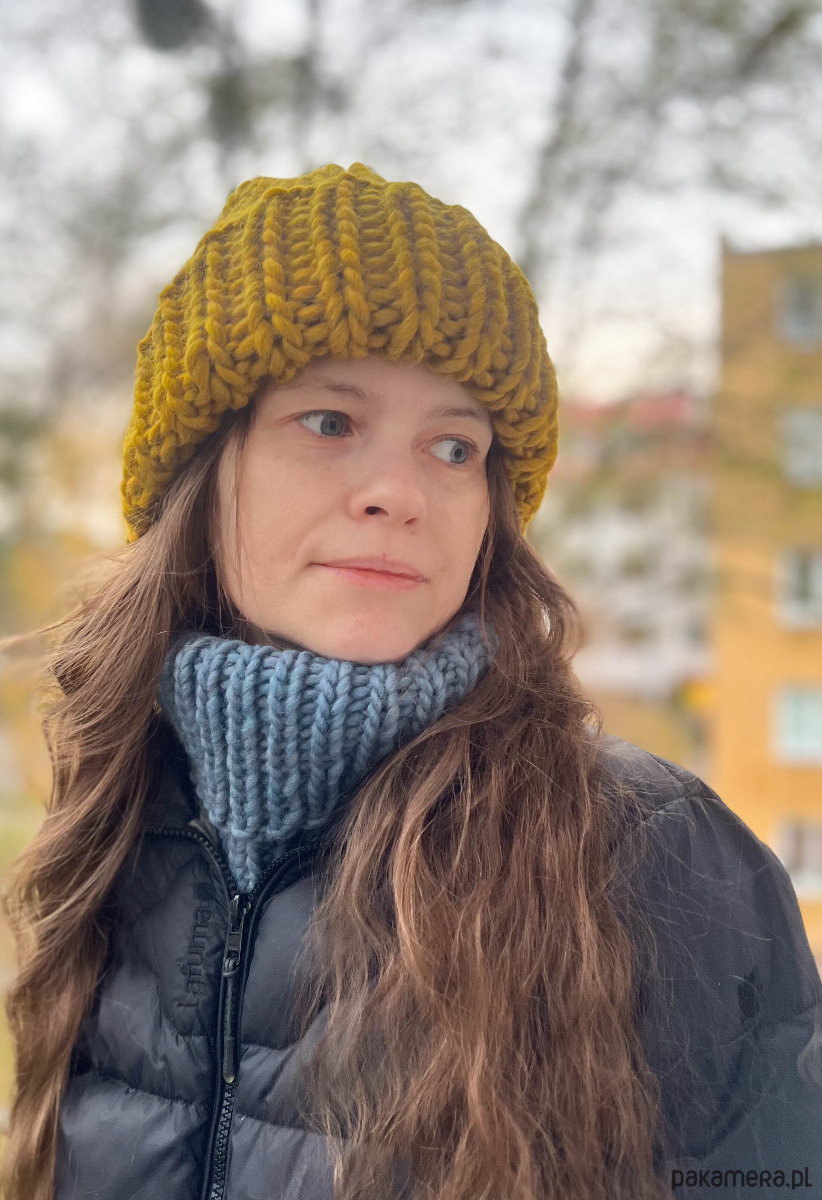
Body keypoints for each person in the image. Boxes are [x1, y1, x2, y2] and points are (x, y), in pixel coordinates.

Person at [1, 162, 821, 1200]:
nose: (399, 491)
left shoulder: (653, 856)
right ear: (203, 472)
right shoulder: (116, 810)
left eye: (453, 445)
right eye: (330, 422)